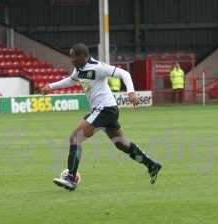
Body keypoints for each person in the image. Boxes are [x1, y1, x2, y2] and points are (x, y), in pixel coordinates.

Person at [41, 43, 162, 191]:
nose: (71, 59)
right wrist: (51, 87)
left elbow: (125, 74)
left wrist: (131, 92)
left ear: (83, 56)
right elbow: (72, 80)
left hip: (104, 109)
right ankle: (152, 165)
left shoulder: (97, 67)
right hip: (106, 110)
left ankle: (71, 178)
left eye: (73, 57)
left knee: (75, 138)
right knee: (121, 144)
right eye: (70, 56)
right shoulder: (79, 69)